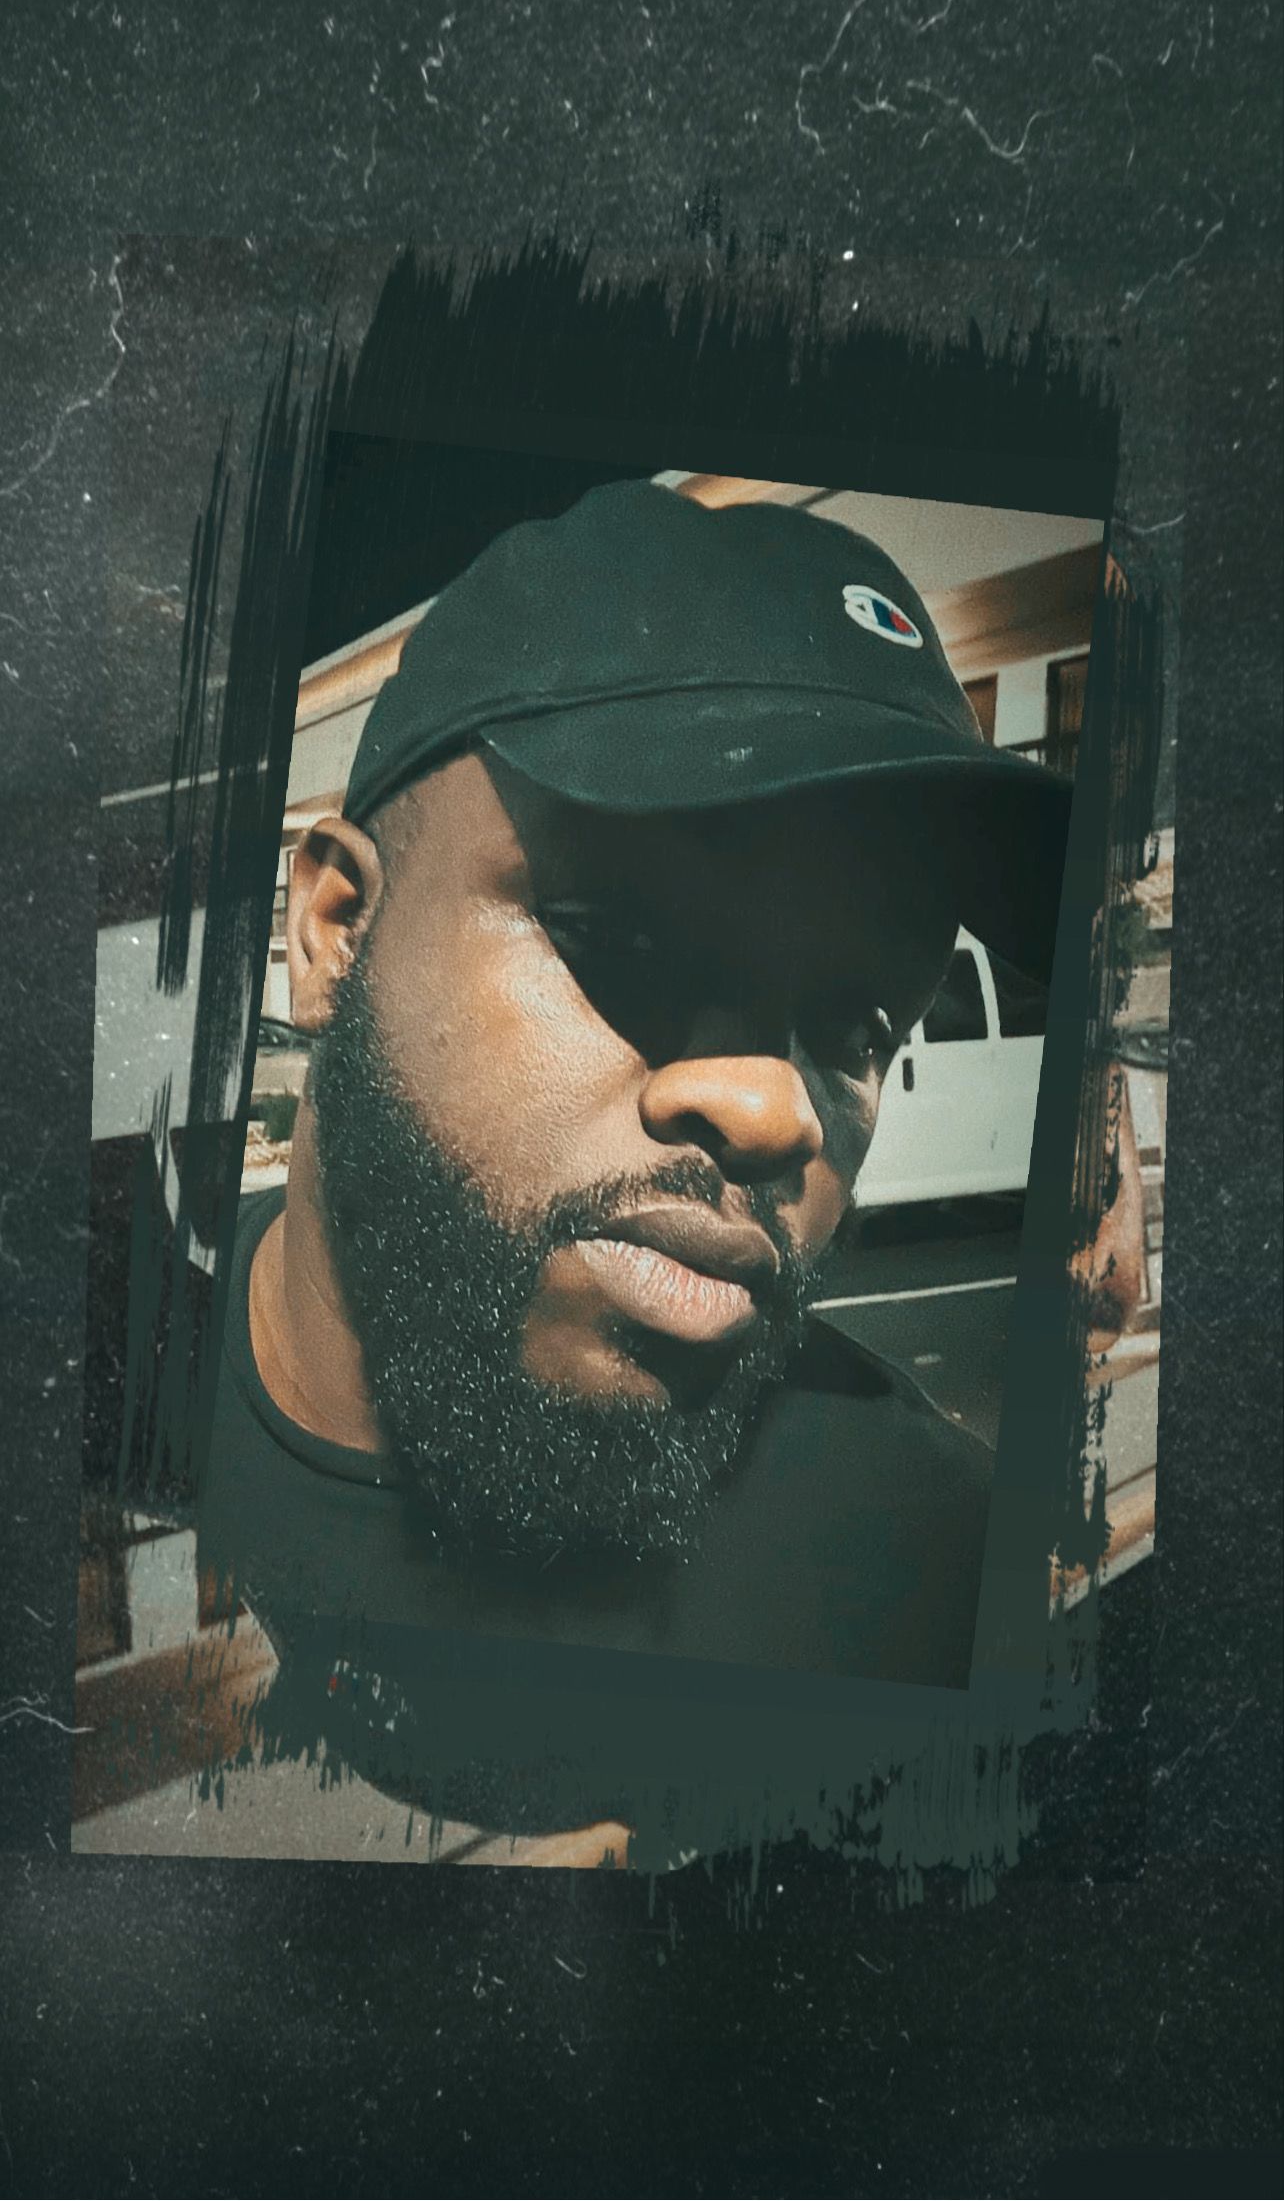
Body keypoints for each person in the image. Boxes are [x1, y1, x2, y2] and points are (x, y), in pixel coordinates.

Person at [94, 481, 1076, 1864]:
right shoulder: (93, 1393)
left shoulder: (922, 1578)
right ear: (333, 933)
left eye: (856, 1028)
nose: (771, 1107)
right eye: (626, 935)